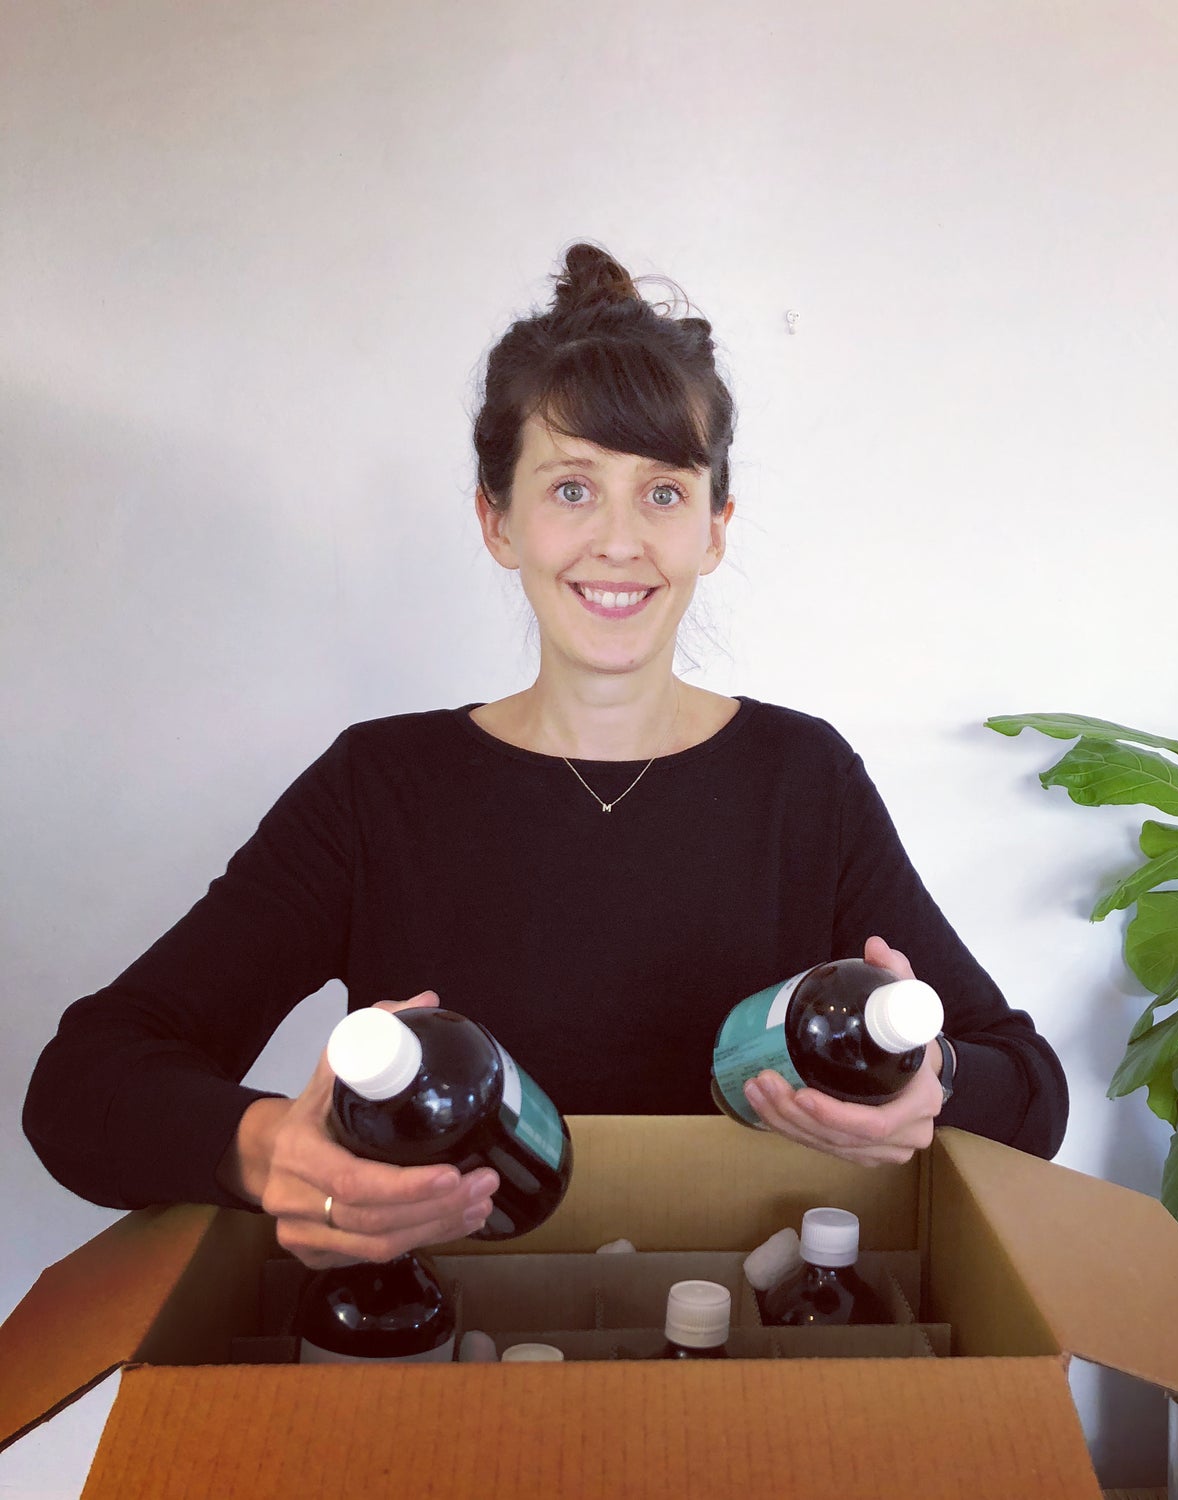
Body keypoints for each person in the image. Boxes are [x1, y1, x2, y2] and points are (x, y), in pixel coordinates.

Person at [24, 244, 1068, 1273]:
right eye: (572, 489)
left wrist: (931, 1075)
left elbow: (1031, 1086)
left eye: (663, 492)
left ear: (715, 528)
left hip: (749, 1349)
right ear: (497, 521)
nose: (619, 540)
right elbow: (81, 1085)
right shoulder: (379, 789)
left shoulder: (803, 781)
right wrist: (265, 1150)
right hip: (449, 1343)